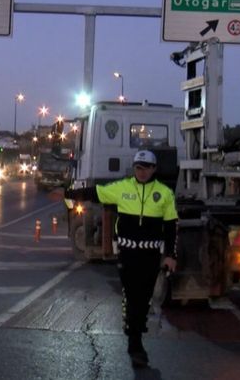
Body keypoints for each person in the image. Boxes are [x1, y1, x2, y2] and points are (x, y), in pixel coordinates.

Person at [50, 150, 178, 368]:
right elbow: (94, 193)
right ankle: (135, 341)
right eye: (138, 167)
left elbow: (170, 227)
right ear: (134, 168)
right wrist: (68, 192)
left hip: (150, 255)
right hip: (128, 254)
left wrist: (170, 256)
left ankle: (135, 328)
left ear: (154, 169)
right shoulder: (122, 188)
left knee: (144, 297)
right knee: (131, 294)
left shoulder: (164, 193)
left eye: (146, 168)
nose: (142, 172)